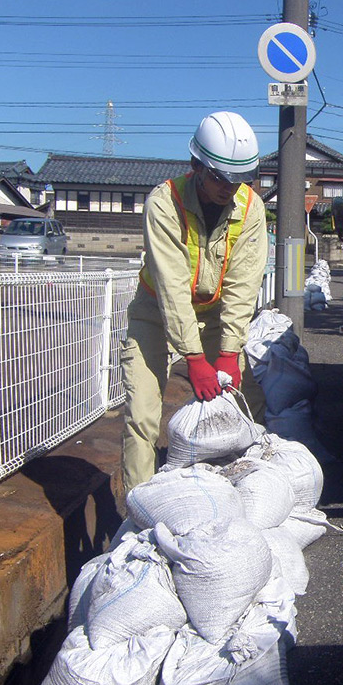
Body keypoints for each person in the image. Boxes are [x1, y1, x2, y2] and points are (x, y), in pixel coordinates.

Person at [120, 111, 269, 494]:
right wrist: (194, 358)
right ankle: (140, 507)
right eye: (220, 178)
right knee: (142, 416)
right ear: (196, 166)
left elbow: (243, 285)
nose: (229, 188)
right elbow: (171, 287)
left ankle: (244, 492)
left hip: (215, 316)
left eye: (239, 179)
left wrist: (229, 352)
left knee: (247, 403)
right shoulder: (164, 203)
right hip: (155, 313)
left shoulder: (250, 207)